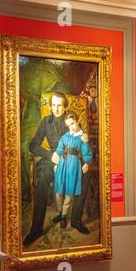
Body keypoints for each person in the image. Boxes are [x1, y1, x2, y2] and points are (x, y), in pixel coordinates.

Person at [23, 92, 91, 247]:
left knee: (86, 174)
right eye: (53, 105)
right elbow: (32, 145)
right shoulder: (45, 122)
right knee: (44, 174)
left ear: (65, 106)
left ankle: (76, 220)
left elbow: (82, 136)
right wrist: (49, 155)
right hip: (53, 157)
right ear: (50, 105)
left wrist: (85, 138)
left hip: (72, 157)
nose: (56, 108)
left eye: (60, 105)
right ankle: (36, 229)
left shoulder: (71, 119)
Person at [52, 112, 92, 229]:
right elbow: (59, 150)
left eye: (73, 124)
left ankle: (64, 216)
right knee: (58, 192)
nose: (71, 127)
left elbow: (87, 153)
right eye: (68, 125)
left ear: (77, 121)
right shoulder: (65, 137)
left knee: (69, 192)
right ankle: (60, 213)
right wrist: (55, 163)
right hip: (62, 165)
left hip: (73, 167)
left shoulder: (82, 137)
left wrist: (86, 163)